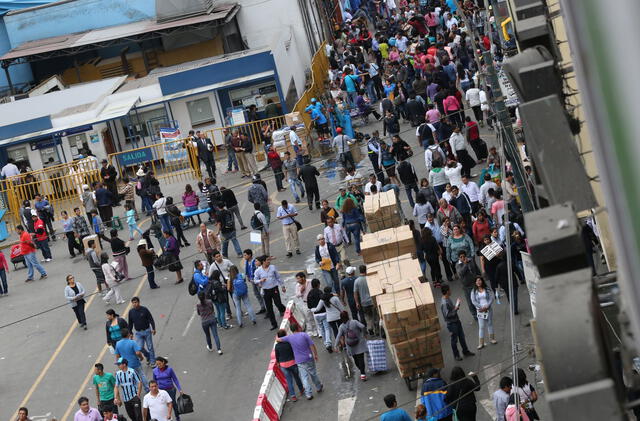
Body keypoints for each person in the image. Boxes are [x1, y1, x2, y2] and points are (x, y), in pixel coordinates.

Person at [276, 322, 323, 400]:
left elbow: (278, 339)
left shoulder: (289, 338)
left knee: (304, 377)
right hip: (309, 357)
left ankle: (308, 394)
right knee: (313, 373)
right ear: (298, 327)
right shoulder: (304, 335)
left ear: (291, 330)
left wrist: (281, 332)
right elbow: (312, 345)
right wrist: (315, 354)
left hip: (299, 360)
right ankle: (318, 387)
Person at [440, 284, 474, 361]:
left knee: (462, 337)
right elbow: (447, 314)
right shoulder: (445, 302)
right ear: (447, 291)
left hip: (456, 321)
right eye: (450, 290)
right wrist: (456, 308)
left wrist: (455, 307)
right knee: (454, 340)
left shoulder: (447, 298)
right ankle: (456, 355)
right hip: (452, 324)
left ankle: (465, 351)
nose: (451, 291)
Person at [253, 255, 286, 330]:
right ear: (263, 261)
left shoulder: (273, 267)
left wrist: (282, 286)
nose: (269, 261)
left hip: (274, 289)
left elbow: (278, 277)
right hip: (266, 291)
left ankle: (286, 311)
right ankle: (274, 324)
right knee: (269, 308)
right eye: (267, 260)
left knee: (278, 304)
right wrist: (260, 280)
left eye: (269, 260)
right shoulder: (258, 271)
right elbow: (255, 280)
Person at [334, 310, 368, 380]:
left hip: (350, 346)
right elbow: (363, 326)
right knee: (361, 358)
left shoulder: (341, 327)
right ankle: (363, 373)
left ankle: (361, 370)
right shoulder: (354, 322)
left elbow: (338, 336)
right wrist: (364, 334)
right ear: (348, 316)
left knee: (356, 359)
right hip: (359, 343)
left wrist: (335, 345)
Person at [115, 328, 149, 393]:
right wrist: (141, 358)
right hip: (135, 362)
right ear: (128, 334)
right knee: (141, 375)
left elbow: (117, 356)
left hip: (125, 364)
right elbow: (138, 352)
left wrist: (119, 365)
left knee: (131, 378)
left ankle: (134, 392)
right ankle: (147, 388)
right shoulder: (132, 342)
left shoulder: (118, 344)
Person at [275, 328, 305, 402]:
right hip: (292, 363)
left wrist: (278, 363)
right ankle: (301, 389)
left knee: (289, 380)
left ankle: (293, 396)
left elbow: (277, 356)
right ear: (285, 335)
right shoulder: (289, 343)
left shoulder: (277, 346)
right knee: (296, 377)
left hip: (283, 365)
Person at [128, 297, 156, 367]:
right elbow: (130, 323)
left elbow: (151, 319)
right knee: (139, 348)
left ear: (139, 302)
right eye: (133, 303)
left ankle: (152, 361)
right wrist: (130, 333)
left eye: (135, 302)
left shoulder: (144, 309)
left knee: (150, 347)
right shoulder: (131, 312)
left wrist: (153, 328)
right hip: (138, 333)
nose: (134, 304)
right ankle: (148, 356)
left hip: (147, 331)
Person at [152, 357, 182, 421]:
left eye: (159, 364)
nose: (158, 366)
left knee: (173, 404)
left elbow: (175, 379)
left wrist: (180, 389)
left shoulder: (169, 370)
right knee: (163, 405)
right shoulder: (154, 371)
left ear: (163, 362)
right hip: (161, 391)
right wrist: (154, 391)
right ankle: (167, 418)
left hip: (170, 390)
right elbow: (154, 382)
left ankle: (177, 417)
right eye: (157, 364)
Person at [471, 276, 497, 349]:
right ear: (475, 283)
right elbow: (473, 301)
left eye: (479, 280)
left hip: (488, 309)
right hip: (480, 311)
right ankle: (481, 343)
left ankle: (492, 339)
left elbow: (492, 297)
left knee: (490, 323)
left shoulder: (487, 289)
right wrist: (481, 307)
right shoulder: (473, 291)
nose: (478, 282)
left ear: (482, 281)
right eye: (476, 281)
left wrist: (487, 305)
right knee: (481, 326)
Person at [456, 251, 480, 319]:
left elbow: (476, 268)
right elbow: (461, 273)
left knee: (478, 298)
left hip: (475, 283)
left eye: (464, 256)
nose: (463, 258)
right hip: (467, 286)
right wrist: (465, 264)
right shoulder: (458, 265)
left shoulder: (471, 260)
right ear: (459, 258)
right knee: (470, 301)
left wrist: (479, 276)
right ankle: (474, 315)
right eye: (461, 257)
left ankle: (480, 312)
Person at [243, 249, 266, 314]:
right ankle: (262, 307)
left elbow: (258, 272)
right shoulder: (247, 262)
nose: (244, 257)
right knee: (257, 294)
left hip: (257, 281)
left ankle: (267, 307)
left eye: (245, 255)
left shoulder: (255, 262)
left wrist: (259, 282)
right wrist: (248, 276)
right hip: (252, 281)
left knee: (262, 294)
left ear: (249, 255)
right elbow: (247, 270)